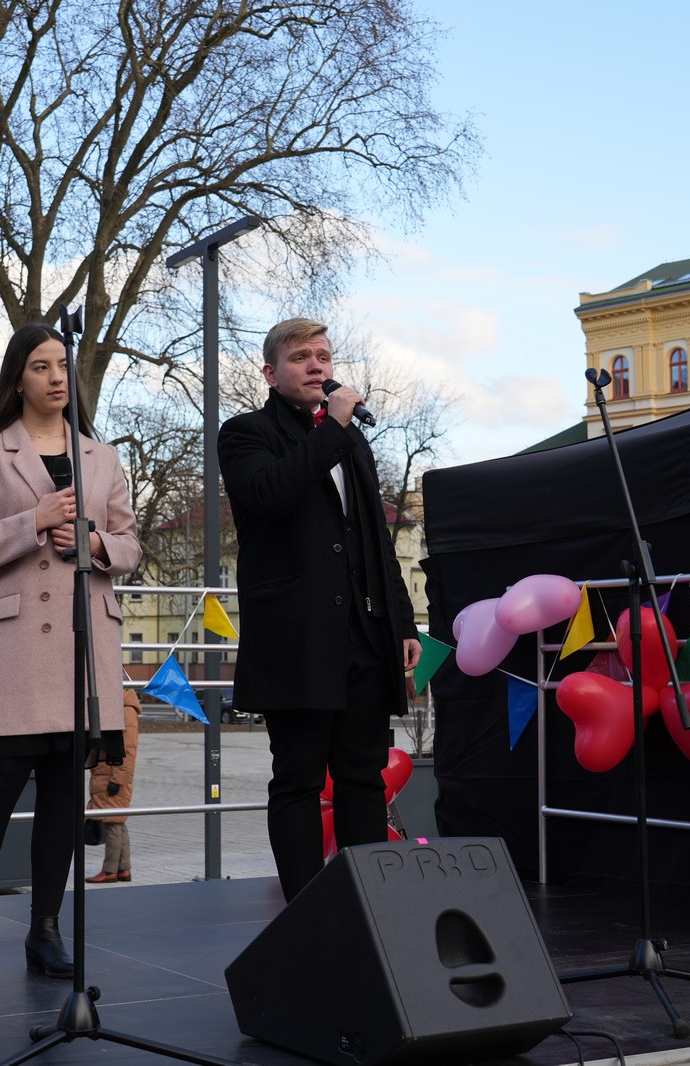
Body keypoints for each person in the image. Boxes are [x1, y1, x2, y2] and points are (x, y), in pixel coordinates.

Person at [0, 323, 141, 986]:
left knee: (62, 794)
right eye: (40, 367)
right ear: (16, 379)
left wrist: (96, 541)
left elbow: (130, 548)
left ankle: (45, 932)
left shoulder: (101, 458)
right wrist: (34, 522)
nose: (56, 377)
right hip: (14, 645)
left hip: (84, 646)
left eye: (62, 366)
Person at [217, 317, 420, 903]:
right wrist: (332, 427)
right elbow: (271, 495)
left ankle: (367, 904)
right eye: (301, 356)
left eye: (324, 356)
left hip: (362, 635)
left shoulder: (351, 440)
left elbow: (375, 541)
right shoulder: (246, 433)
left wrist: (401, 622)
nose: (317, 366)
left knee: (362, 778)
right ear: (270, 372)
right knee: (299, 779)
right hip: (296, 638)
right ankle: (305, 907)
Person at [85, 687, 141, 883]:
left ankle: (109, 871)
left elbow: (129, 749)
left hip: (112, 777)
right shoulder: (119, 707)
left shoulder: (125, 709)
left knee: (112, 824)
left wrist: (117, 780)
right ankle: (123, 868)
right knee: (117, 821)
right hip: (106, 774)